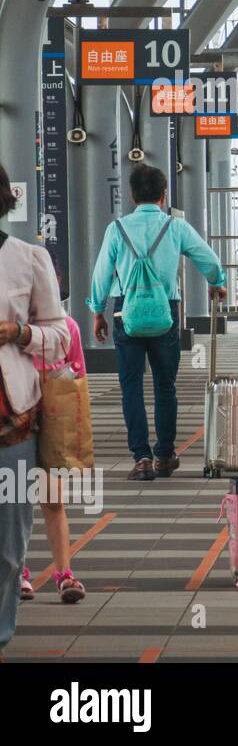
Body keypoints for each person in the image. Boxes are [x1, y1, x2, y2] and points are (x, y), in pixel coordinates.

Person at [88, 164, 228, 480]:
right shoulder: (175, 227)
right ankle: (165, 455)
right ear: (164, 195)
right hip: (167, 311)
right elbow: (208, 259)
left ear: (132, 195)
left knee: (131, 387)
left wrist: (98, 311)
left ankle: (142, 459)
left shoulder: (117, 229)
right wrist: (216, 282)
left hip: (127, 313)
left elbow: (101, 275)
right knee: (166, 386)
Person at [0, 162, 71, 656]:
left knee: (8, 543)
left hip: (12, 422)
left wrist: (21, 333)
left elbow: (62, 336)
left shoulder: (28, 259)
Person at [20, 252, 88, 604]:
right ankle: (18, 572)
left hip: (51, 423)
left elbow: (77, 380)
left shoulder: (69, 327)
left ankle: (64, 574)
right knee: (13, 498)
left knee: (52, 499)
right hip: (14, 422)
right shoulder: (10, 329)